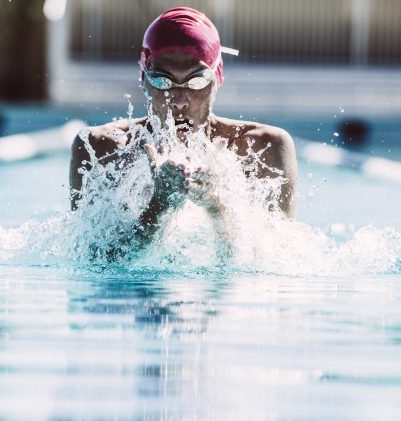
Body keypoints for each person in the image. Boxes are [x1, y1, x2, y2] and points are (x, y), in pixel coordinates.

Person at [69, 6, 297, 248]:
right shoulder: (100, 147)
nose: (178, 101)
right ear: (143, 80)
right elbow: (93, 260)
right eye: (162, 80)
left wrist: (217, 206)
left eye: (196, 81)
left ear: (217, 78)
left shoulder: (264, 147)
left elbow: (273, 262)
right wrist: (158, 207)